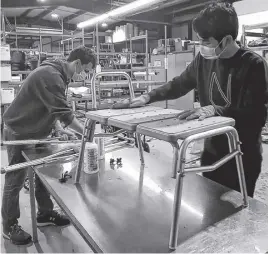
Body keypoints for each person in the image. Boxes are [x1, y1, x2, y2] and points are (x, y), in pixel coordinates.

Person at [114, 2, 268, 197]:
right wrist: (148, 96)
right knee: (210, 206)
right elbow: (179, 84)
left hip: (241, 156)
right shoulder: (204, 60)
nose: (202, 46)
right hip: (212, 151)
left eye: (206, 41)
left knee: (237, 212)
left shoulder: (253, 65)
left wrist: (214, 110)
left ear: (227, 39)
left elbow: (255, 118)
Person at [2, 46, 96, 245]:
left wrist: (58, 127)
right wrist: (87, 136)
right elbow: (65, 114)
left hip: (37, 130)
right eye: (86, 70)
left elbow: (50, 106)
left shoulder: (59, 73)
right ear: (77, 63)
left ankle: (45, 214)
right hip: (20, 130)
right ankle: (9, 226)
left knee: (41, 173)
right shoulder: (52, 75)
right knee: (15, 179)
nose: (85, 75)